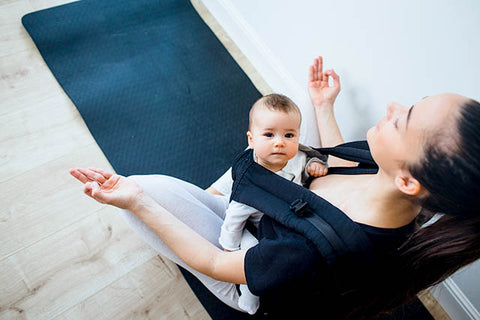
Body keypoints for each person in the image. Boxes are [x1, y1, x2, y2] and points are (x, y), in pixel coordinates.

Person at [70, 56, 480, 318]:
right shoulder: (389, 178)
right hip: (273, 222)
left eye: (403, 120)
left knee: (143, 189)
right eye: (412, 103)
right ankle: (218, 197)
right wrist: (322, 106)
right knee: (265, 147)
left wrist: (139, 203)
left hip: (247, 266)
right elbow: (332, 163)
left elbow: (215, 265)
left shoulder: (313, 253)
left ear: (409, 180)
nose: (392, 107)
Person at [215, 93, 327, 314]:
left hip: (287, 222)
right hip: (254, 227)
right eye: (269, 134)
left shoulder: (298, 159)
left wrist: (316, 165)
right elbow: (233, 221)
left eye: (289, 135)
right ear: (251, 140)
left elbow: (313, 162)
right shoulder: (249, 183)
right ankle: (248, 298)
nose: (279, 142)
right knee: (250, 258)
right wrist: (229, 249)